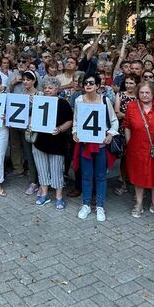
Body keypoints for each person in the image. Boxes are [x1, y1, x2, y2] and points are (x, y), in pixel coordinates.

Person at [72, 73, 118, 222]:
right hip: (85, 144)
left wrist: (110, 134)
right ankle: (85, 204)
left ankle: (100, 206)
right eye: (86, 82)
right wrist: (74, 133)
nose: (88, 85)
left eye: (92, 82)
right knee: (86, 175)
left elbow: (114, 121)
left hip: (100, 145)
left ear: (98, 85)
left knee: (100, 176)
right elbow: (76, 121)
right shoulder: (79, 100)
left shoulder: (105, 100)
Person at [124, 81, 154, 218]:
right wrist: (129, 142)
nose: (144, 95)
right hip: (137, 147)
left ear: (153, 93)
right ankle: (139, 203)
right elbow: (126, 125)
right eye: (142, 92)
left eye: (147, 92)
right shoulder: (132, 106)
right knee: (138, 175)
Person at [32, 76, 73, 209]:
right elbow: (32, 117)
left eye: (51, 88)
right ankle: (44, 195)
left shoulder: (63, 103)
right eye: (45, 88)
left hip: (57, 142)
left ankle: (59, 197)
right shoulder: (39, 101)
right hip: (40, 141)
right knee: (42, 169)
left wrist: (60, 129)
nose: (48, 90)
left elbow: (70, 121)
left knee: (56, 170)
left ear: (57, 89)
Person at [113, 73, 139, 196]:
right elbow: (117, 113)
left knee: (137, 159)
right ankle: (123, 184)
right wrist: (134, 117)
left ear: (136, 84)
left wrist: (129, 117)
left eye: (131, 83)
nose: (129, 85)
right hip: (123, 130)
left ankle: (137, 186)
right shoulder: (120, 95)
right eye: (127, 83)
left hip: (138, 131)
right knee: (124, 159)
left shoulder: (140, 96)